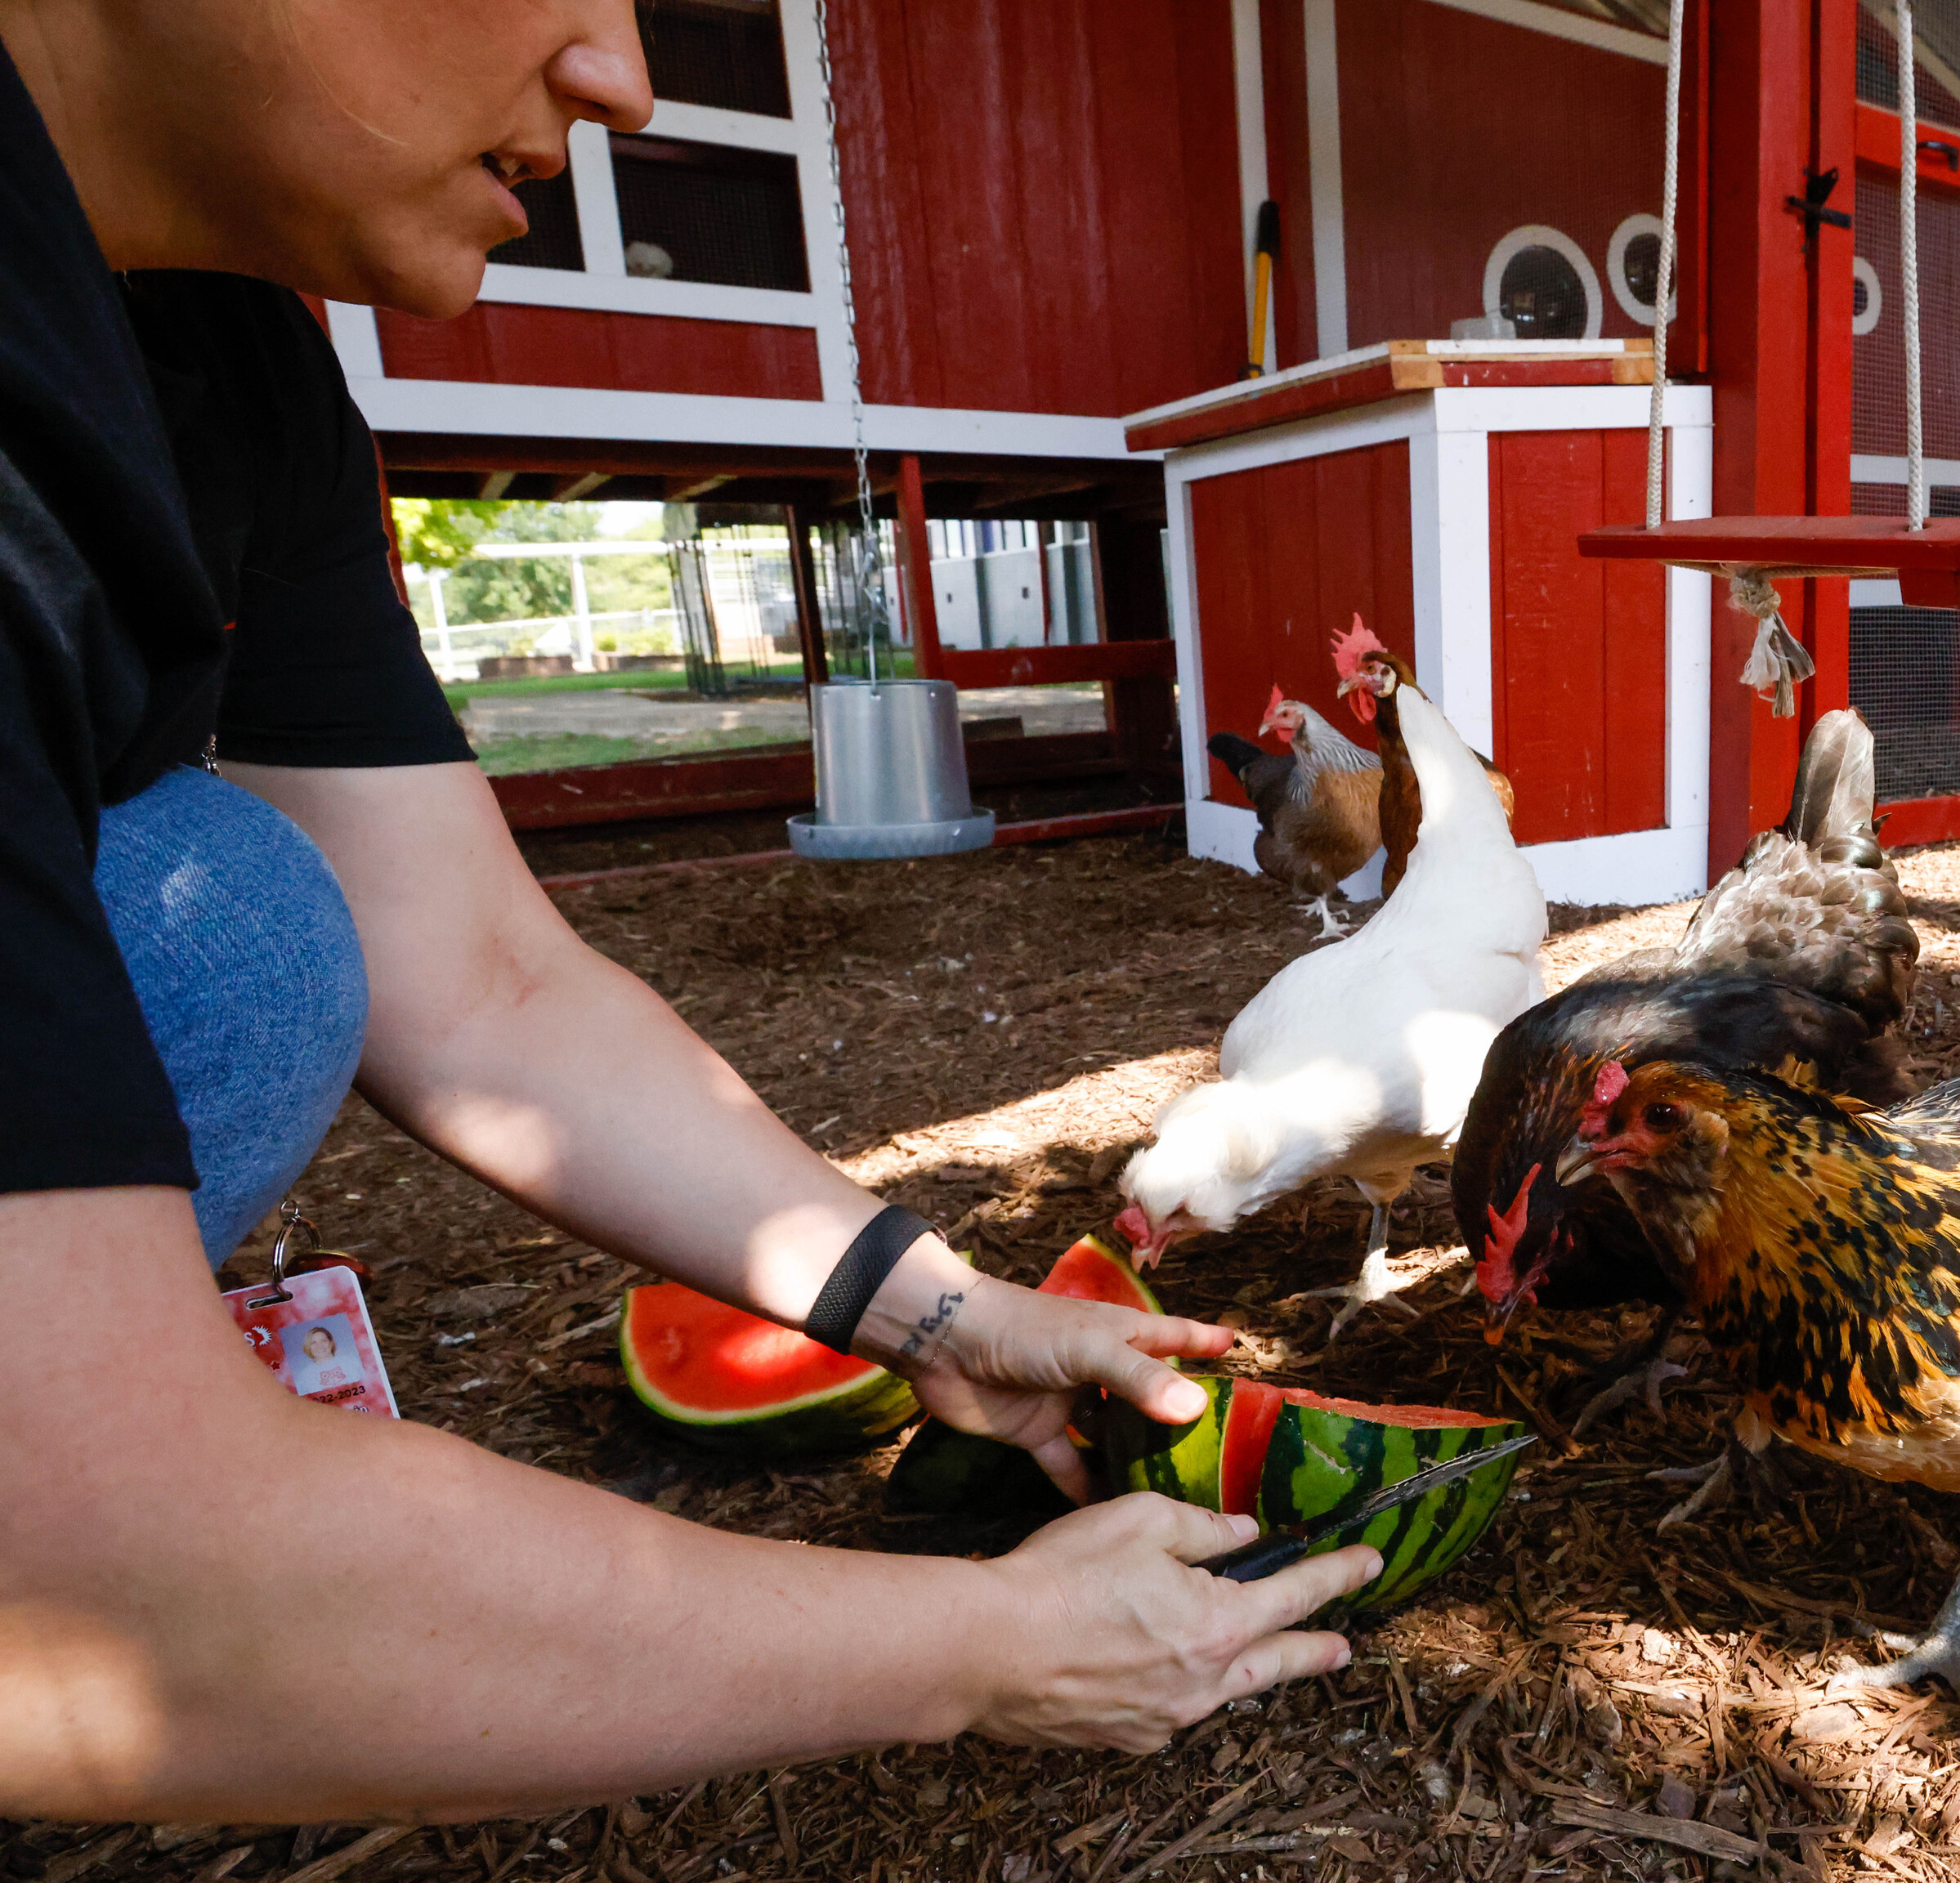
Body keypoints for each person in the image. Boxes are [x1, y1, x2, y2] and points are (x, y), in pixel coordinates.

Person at [0, 0, 1377, 1824]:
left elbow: (482, 984)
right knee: (217, 924)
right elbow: (109, 1592)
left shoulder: (229, 357)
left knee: (238, 915)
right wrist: (975, 1653)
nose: (626, 79)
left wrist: (938, 1314)